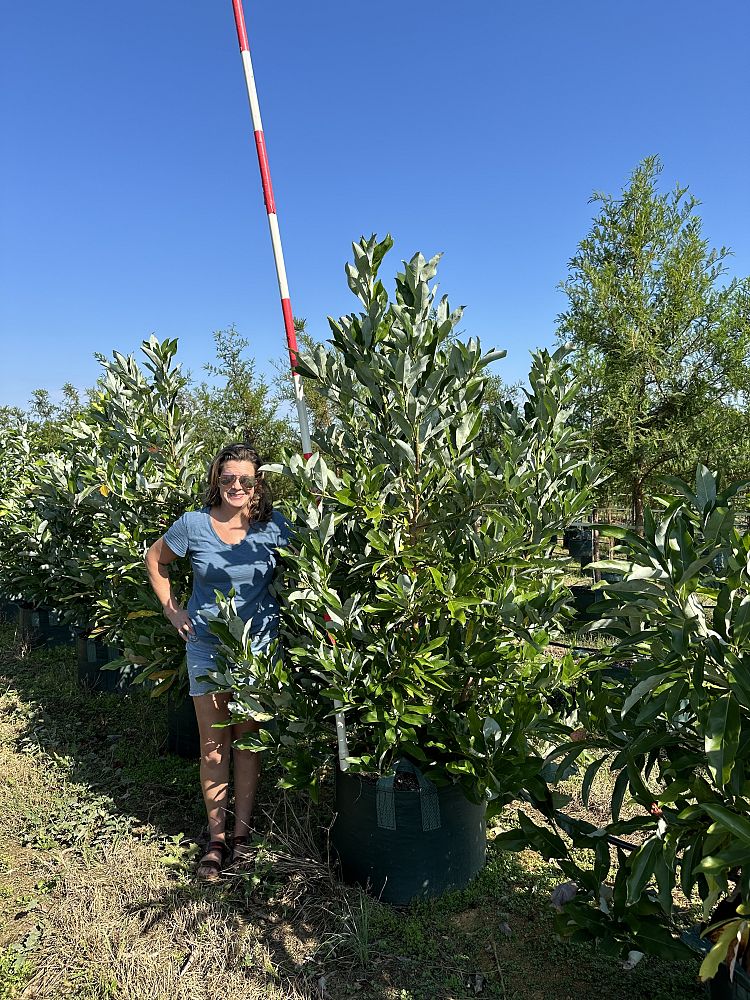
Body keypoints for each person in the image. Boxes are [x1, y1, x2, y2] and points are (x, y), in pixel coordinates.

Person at [145, 442, 290, 882]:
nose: (237, 486)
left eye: (246, 479)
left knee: (248, 741)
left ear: (258, 484)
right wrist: (173, 611)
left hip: (259, 650)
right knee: (213, 745)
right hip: (207, 644)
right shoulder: (194, 525)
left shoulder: (274, 527)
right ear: (216, 481)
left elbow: (308, 565)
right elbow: (155, 559)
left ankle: (242, 835)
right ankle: (216, 838)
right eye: (228, 478)